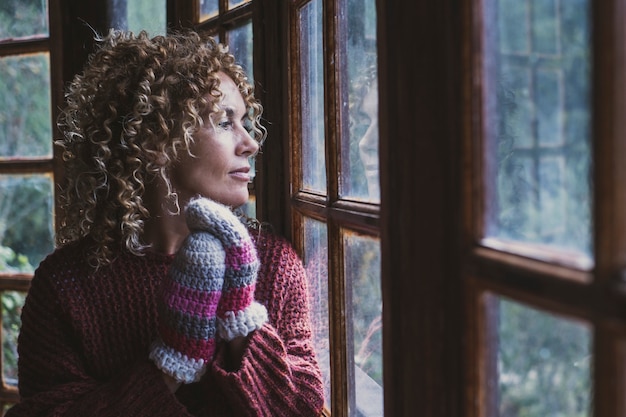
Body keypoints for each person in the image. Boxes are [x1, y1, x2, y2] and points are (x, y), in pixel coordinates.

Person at [6, 29, 324, 417]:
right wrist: (170, 364)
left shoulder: (271, 265)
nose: (250, 143)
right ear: (157, 141)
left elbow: (303, 409)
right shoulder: (66, 285)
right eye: (225, 123)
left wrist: (241, 319)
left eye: (245, 121)